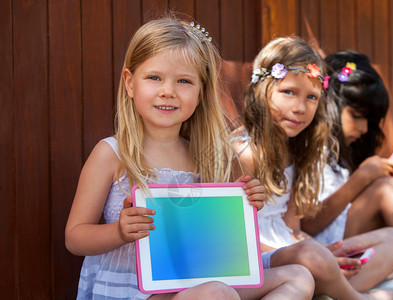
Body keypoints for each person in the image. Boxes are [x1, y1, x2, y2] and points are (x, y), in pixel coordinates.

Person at [65, 17, 315, 300]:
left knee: (298, 276)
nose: (168, 90)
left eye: (184, 81)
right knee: (217, 293)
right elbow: (75, 237)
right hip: (134, 290)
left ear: (200, 93)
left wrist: (245, 206)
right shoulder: (112, 154)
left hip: (197, 281)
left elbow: (219, 242)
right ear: (130, 83)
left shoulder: (207, 158)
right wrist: (120, 232)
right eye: (154, 77)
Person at [233, 36, 393, 299]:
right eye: (288, 92)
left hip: (292, 252)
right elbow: (233, 241)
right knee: (313, 255)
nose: (300, 108)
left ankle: (331, 290)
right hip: (257, 259)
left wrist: (328, 255)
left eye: (312, 97)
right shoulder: (243, 154)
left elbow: (292, 228)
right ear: (262, 90)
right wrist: (312, 255)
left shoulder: (296, 152)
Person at [301, 50, 393, 284]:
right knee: (385, 190)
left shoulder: (341, 152)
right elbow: (307, 223)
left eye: (370, 121)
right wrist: (363, 178)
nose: (364, 128)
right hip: (319, 245)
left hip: (343, 232)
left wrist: (379, 177)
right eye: (357, 116)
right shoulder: (309, 147)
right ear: (331, 106)